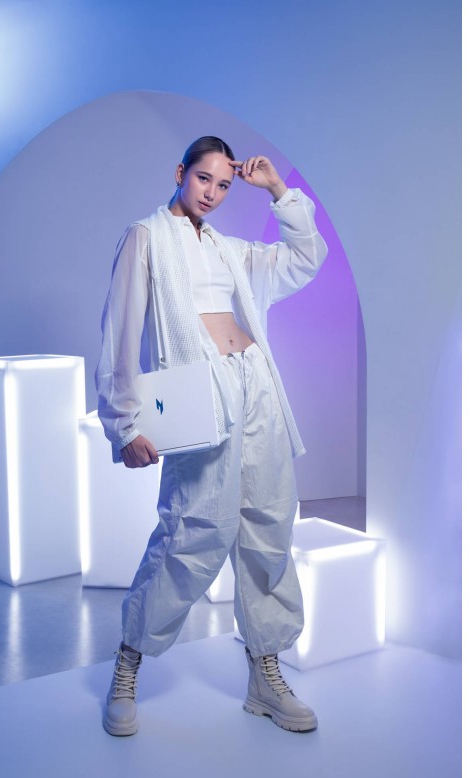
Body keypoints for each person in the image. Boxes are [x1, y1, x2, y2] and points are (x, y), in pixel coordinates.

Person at [95, 135, 328, 736]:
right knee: (191, 530)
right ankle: (128, 662)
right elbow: (121, 329)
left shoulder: (228, 249)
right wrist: (124, 423)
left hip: (256, 384)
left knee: (269, 525)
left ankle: (265, 675)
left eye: (224, 185)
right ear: (180, 173)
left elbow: (304, 259)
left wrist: (276, 189)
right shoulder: (146, 237)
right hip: (201, 398)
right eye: (204, 179)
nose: (213, 194)